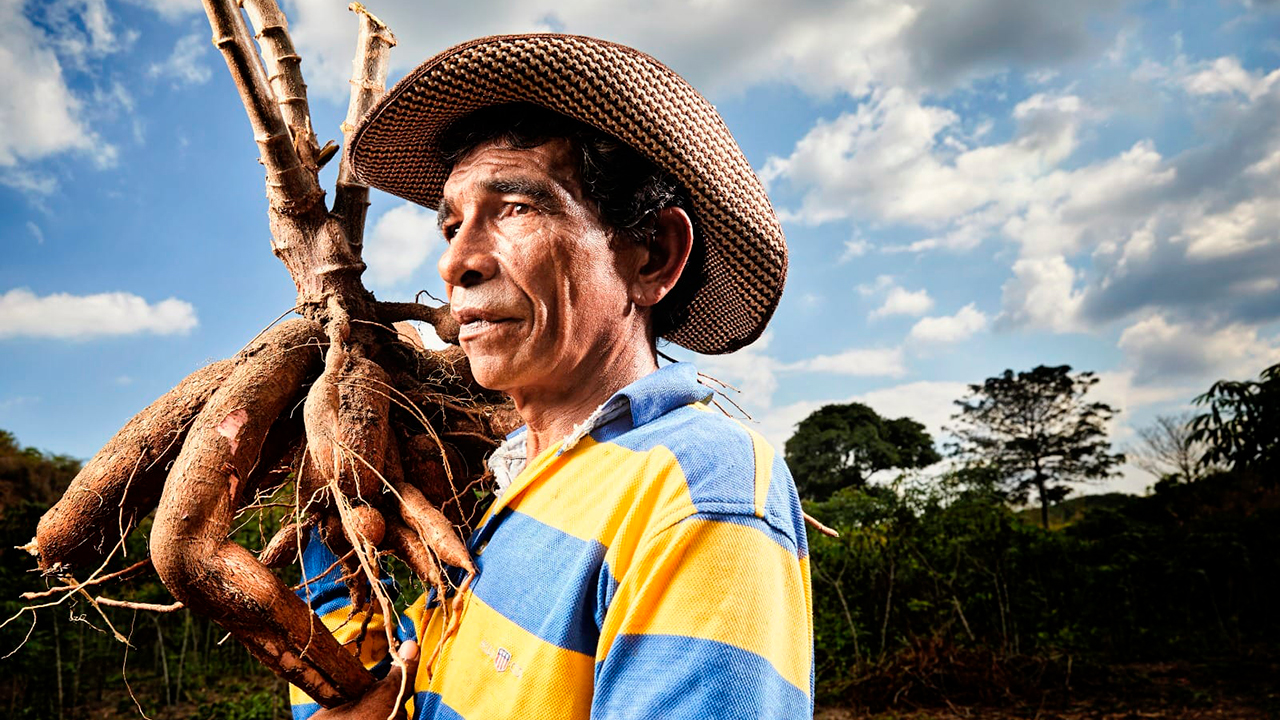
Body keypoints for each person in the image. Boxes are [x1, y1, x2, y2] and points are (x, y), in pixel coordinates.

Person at [291, 33, 812, 719]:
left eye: (516, 209)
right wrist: (323, 509)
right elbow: (387, 690)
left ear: (653, 255)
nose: (456, 264)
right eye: (451, 225)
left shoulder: (694, 487)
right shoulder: (503, 495)